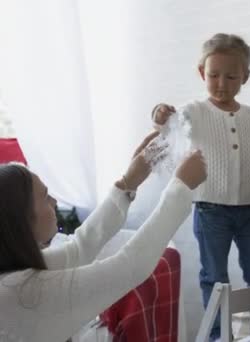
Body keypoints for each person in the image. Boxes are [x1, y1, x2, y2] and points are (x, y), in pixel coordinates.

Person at [0, 131, 207, 342]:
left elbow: (79, 248)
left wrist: (128, 182)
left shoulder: (15, 274)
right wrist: (180, 188)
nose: (54, 201)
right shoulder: (22, 292)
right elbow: (129, 267)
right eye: (45, 197)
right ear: (20, 220)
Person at [152, 33, 250, 340]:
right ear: (202, 73)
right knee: (214, 276)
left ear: (245, 77)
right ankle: (217, 334)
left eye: (231, 76)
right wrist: (159, 115)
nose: (221, 83)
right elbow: (170, 127)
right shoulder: (195, 111)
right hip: (211, 210)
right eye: (213, 75)